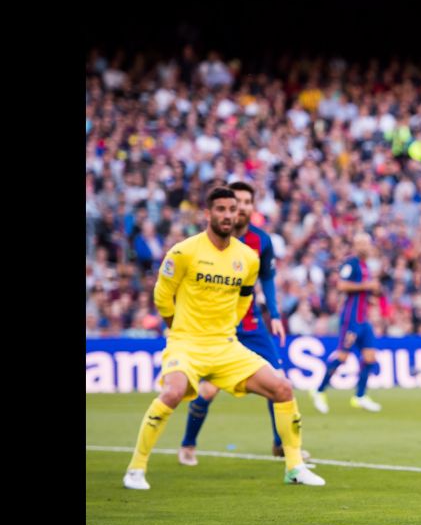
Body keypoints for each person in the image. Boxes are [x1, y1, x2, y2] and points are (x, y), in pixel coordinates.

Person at [122, 187, 324, 490]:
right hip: (186, 344)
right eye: (221, 209)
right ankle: (136, 469)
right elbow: (162, 295)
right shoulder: (184, 251)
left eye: (232, 209)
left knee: (282, 387)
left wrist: (229, 326)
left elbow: (245, 299)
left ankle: (294, 467)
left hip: (226, 346)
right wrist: (175, 327)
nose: (228, 215)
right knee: (173, 393)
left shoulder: (247, 258)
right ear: (208, 214)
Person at [177, 181, 308, 465]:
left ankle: (281, 445)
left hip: (252, 326)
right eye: (237, 203)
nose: (242, 208)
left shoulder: (261, 241)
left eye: (248, 202)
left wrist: (274, 315)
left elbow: (268, 279)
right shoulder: (208, 243)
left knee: (279, 382)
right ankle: (188, 444)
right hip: (219, 328)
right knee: (208, 391)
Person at [310, 232, 383, 414]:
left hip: (363, 319)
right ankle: (319, 390)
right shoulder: (351, 264)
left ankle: (359, 396)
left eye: (366, 243)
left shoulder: (366, 266)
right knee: (342, 357)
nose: (364, 246)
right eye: (360, 243)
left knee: (370, 357)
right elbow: (341, 286)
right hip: (351, 318)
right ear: (355, 246)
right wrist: (367, 287)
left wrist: (372, 296)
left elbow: (366, 291)